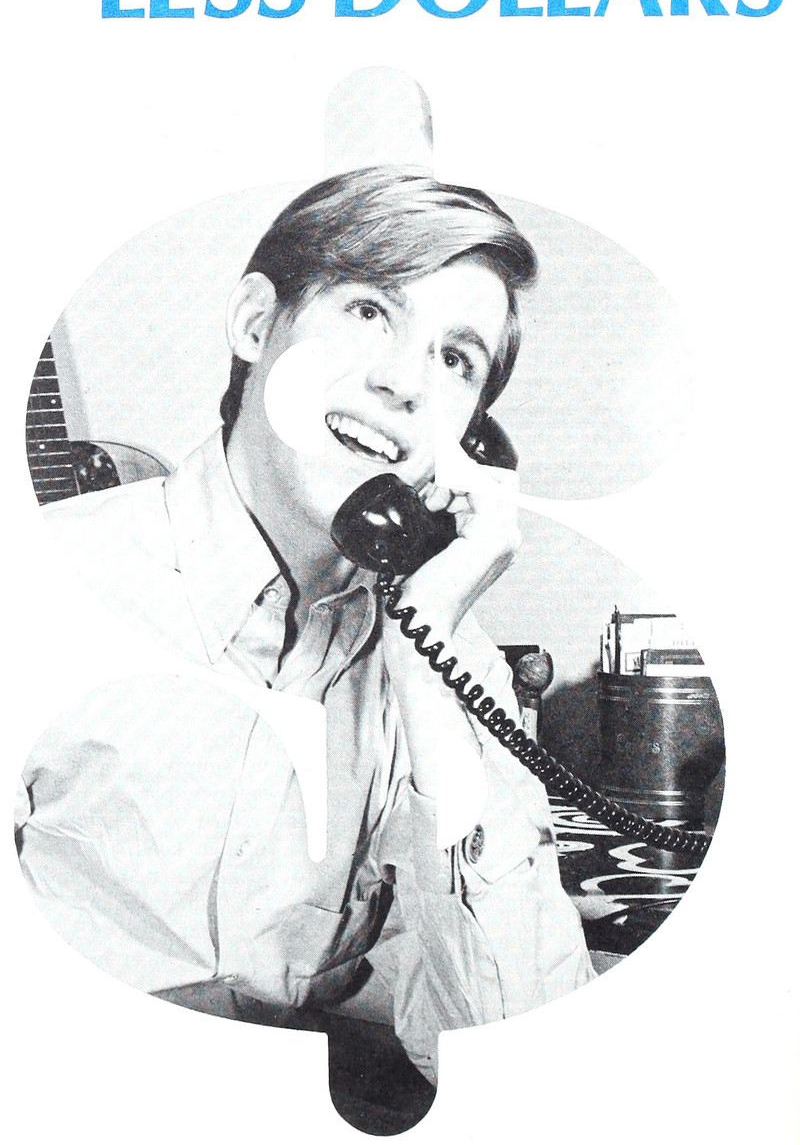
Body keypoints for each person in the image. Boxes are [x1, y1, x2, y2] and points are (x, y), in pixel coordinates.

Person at [16, 167, 593, 1087]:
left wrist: (427, 661)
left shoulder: (449, 663)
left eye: (456, 359)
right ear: (256, 324)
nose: (404, 381)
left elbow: (522, 1070)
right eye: (369, 311)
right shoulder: (45, 583)